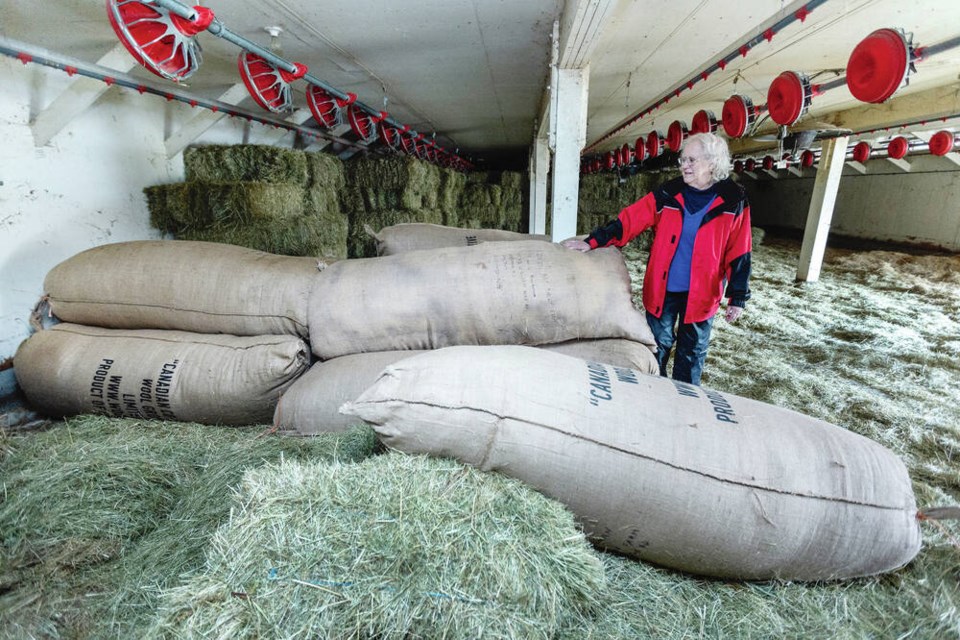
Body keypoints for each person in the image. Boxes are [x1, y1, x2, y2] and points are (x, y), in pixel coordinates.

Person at [564, 132, 752, 386]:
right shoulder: (669, 193)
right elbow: (629, 221)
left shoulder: (733, 199)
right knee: (656, 347)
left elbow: (740, 251)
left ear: (712, 162)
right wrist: (593, 241)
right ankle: (653, 393)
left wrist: (737, 296)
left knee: (692, 353)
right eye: (682, 160)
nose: (684, 165)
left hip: (702, 294)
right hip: (663, 290)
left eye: (691, 160)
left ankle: (685, 402)